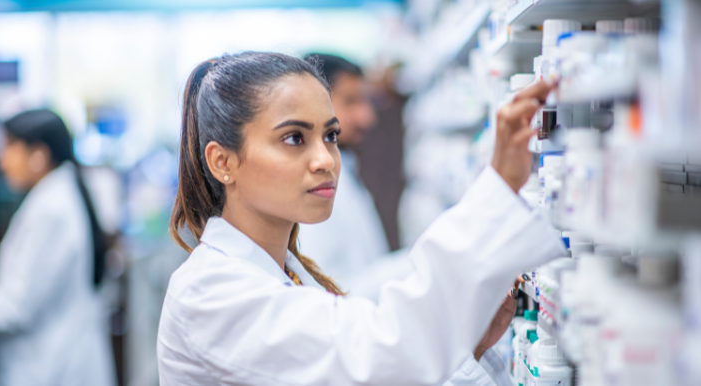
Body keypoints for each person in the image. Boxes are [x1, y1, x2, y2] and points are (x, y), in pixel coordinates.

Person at [158, 52, 563, 385]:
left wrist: (464, 348)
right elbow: (375, 354)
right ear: (222, 162)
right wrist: (499, 189)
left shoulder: (291, 273)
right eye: (294, 138)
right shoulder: (210, 292)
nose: (324, 160)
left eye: (329, 136)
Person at [0, 110, 116, 386]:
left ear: (39, 154)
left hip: (49, 368)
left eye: (9, 147)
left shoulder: (50, 210)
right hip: (60, 359)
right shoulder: (59, 193)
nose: (1, 160)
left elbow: (15, 308)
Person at [297, 53, 391, 291]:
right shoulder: (309, 184)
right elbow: (323, 288)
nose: (366, 117)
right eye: (351, 101)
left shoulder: (346, 168)